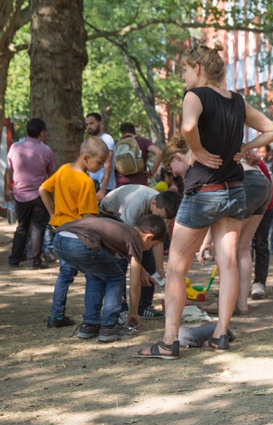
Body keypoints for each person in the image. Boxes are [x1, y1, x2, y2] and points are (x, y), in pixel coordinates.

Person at [135, 41, 273, 360]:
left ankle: (169, 341)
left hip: (203, 191)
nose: (184, 78)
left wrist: (197, 151)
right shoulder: (237, 101)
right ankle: (220, 334)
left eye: (185, 71)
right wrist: (245, 148)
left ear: (198, 69)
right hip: (234, 190)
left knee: (175, 268)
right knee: (227, 262)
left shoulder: (195, 96)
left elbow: (188, 126)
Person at [53, 214, 166, 342]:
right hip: (81, 242)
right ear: (149, 237)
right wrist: (133, 312)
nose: (149, 249)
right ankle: (108, 326)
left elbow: (131, 261)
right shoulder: (135, 239)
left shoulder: (124, 229)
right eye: (152, 245)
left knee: (95, 276)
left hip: (60, 239)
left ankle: (89, 325)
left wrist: (142, 271)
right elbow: (135, 284)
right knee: (116, 277)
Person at [39, 136, 107, 329]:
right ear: (86, 158)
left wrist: (54, 215)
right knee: (94, 275)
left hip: (61, 233)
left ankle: (56, 315)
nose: (101, 167)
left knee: (65, 275)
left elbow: (42, 189)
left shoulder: (63, 170)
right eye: (99, 163)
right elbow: (88, 219)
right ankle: (92, 320)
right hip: (78, 237)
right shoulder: (85, 182)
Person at [200, 149, 272, 315]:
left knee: (226, 250)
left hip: (245, 183)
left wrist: (206, 241)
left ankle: (225, 303)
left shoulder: (209, 151)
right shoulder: (235, 143)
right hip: (263, 184)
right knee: (243, 248)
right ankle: (241, 305)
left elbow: (217, 208)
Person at [99, 185, 182, 319]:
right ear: (153, 204)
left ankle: (143, 307)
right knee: (120, 263)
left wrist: (159, 268)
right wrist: (140, 270)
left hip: (139, 226)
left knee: (150, 263)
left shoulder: (164, 212)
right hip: (113, 216)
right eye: (160, 216)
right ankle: (121, 309)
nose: (163, 221)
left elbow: (157, 239)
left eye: (166, 219)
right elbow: (126, 243)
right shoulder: (135, 205)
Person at [4, 118, 55, 269]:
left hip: (20, 195)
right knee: (38, 228)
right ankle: (33, 261)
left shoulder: (14, 148)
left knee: (22, 227)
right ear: (42, 133)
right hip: (40, 195)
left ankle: (15, 258)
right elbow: (52, 174)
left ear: (26, 131)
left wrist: (7, 188)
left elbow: (8, 170)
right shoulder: (46, 151)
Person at [250, 147, 273, 300]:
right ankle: (238, 283)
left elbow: (266, 190)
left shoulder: (254, 163)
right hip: (245, 205)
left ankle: (259, 282)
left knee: (260, 242)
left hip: (265, 205)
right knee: (241, 246)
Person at [115, 123, 163, 187]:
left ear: (122, 133)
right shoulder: (143, 141)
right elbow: (159, 153)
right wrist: (152, 172)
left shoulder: (117, 144)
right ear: (134, 131)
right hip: (140, 184)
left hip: (122, 185)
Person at [84, 113, 117, 201]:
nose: (89, 127)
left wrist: (103, 188)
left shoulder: (107, 139)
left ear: (100, 123)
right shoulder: (90, 141)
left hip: (105, 187)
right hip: (93, 184)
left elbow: (108, 164)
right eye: (87, 125)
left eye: (92, 123)